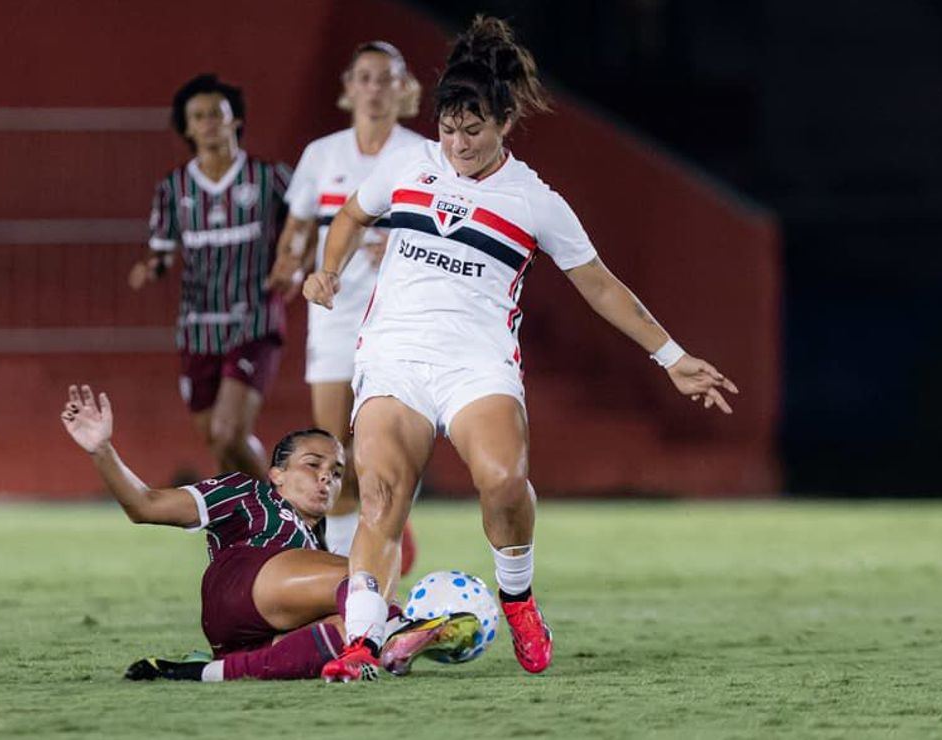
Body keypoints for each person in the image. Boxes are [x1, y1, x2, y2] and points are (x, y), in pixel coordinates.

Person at [303, 16, 740, 682]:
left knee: (504, 481)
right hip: (393, 356)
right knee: (380, 496)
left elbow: (600, 286)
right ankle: (361, 642)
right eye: (449, 128)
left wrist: (671, 356)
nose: (457, 143)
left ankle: (518, 598)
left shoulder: (534, 200)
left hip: (475, 366)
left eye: (473, 130)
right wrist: (328, 268)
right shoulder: (406, 164)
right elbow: (352, 214)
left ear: (504, 122)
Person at [59, 384, 479, 682]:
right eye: (311, 465)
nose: (325, 480)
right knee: (360, 580)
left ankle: (199, 673)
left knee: (343, 626)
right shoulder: (247, 492)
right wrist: (102, 450)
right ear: (276, 474)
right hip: (236, 584)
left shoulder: (317, 540)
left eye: (335, 473)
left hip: (245, 637)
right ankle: (399, 628)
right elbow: (144, 505)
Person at [266, 41, 424, 563]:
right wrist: (288, 264)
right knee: (332, 446)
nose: (375, 88)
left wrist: (398, 242)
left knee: (378, 447)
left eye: (386, 78)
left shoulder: (421, 153)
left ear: (403, 87)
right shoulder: (323, 153)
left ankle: (379, 542)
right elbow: (298, 225)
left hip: (395, 314)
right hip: (333, 312)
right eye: (365, 77)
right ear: (348, 87)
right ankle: (339, 566)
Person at [129, 74, 290, 481]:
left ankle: (290, 518)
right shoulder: (174, 188)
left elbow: (303, 231)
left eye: (217, 114)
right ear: (186, 127)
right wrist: (152, 266)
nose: (208, 123)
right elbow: (163, 248)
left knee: (228, 431)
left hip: (254, 320)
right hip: (198, 327)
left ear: (235, 119)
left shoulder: (269, 179)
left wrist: (297, 264)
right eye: (198, 116)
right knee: (220, 443)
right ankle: (247, 531)